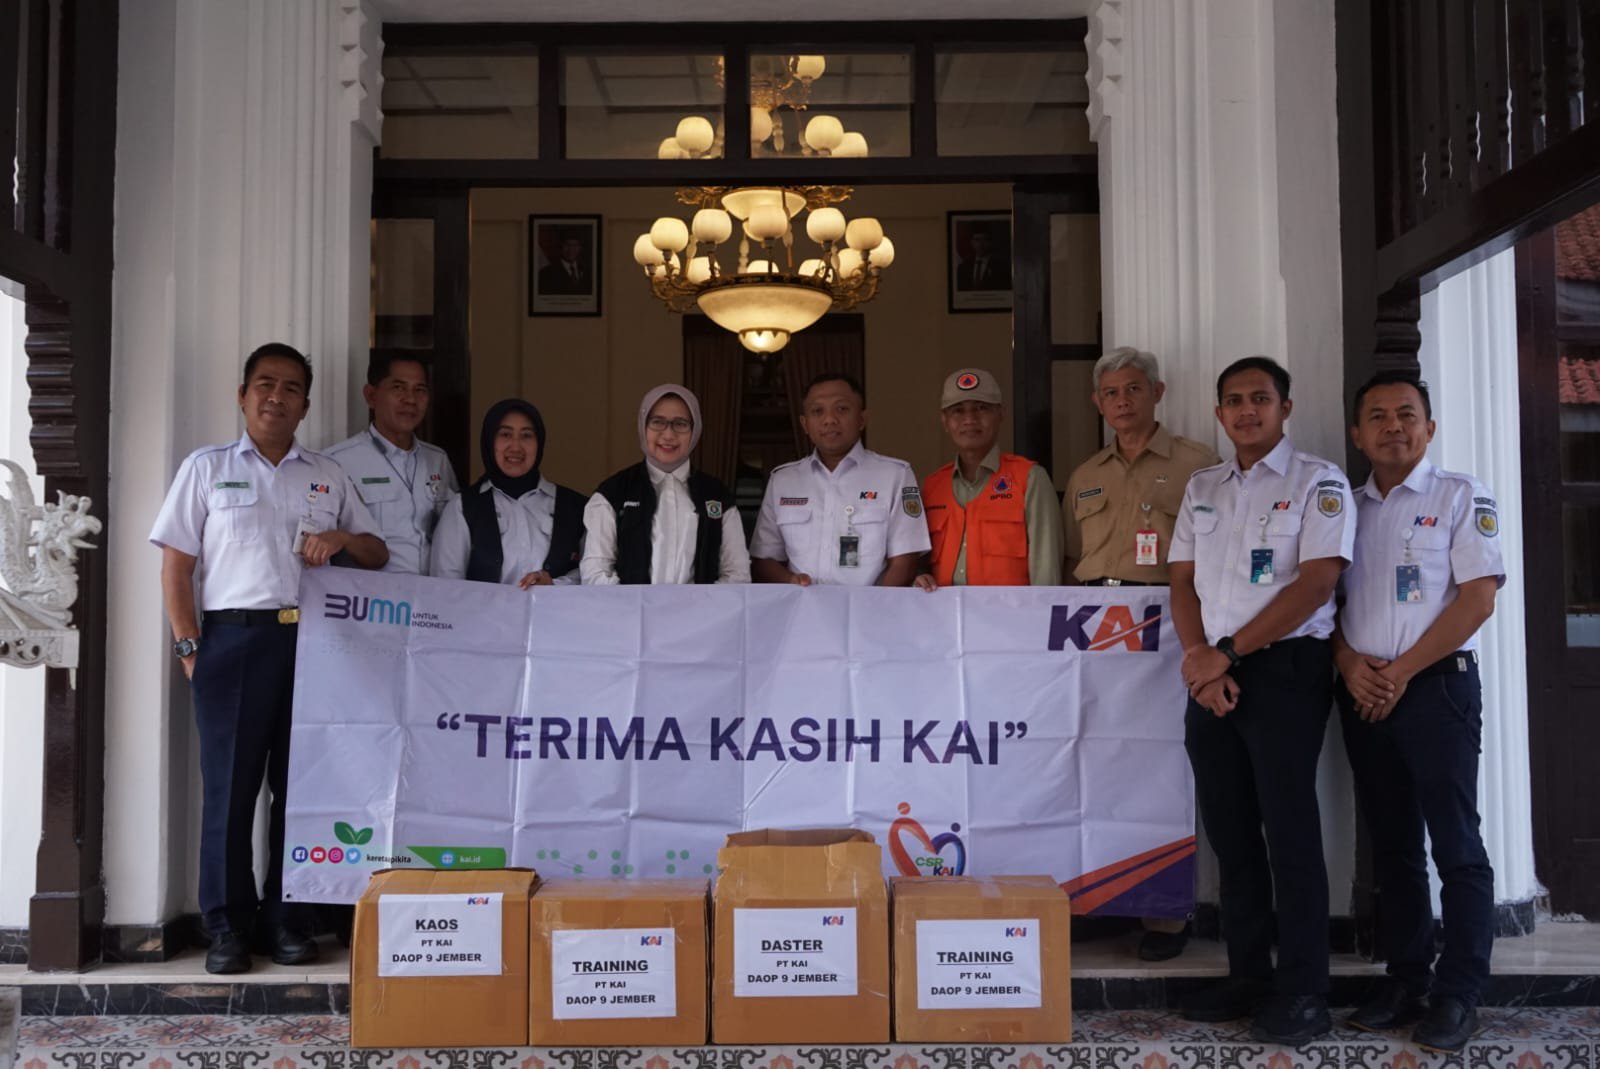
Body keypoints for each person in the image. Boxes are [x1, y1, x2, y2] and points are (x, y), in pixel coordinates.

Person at [150, 342, 388, 974]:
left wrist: (340, 538)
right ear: (243, 395)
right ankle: (227, 927)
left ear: (305, 405)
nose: (276, 397)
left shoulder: (326, 475)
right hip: (231, 642)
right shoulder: (207, 468)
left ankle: (286, 920)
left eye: (290, 389)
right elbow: (176, 564)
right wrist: (189, 645)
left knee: (299, 790)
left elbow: (376, 553)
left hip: (311, 647)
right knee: (229, 793)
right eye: (265, 384)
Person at [1167, 355, 1355, 1045]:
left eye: (1261, 398)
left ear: (1285, 408)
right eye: (1235, 400)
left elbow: (1317, 583)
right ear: (1220, 413)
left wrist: (1228, 653)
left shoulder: (1318, 482)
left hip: (1284, 669)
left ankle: (1304, 990)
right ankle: (1248, 973)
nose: (1247, 411)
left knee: (1290, 828)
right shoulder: (1203, 486)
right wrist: (1200, 659)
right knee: (1231, 830)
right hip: (1210, 674)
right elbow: (1182, 581)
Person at [1334, 371, 1503, 1054]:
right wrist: (1350, 663)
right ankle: (1407, 979)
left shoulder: (1459, 494)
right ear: (1357, 434)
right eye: (1377, 415)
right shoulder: (1343, 508)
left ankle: (1459, 991)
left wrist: (1399, 672)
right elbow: (1325, 604)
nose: (1393, 426)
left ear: (1429, 427)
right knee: (1394, 845)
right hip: (1363, 693)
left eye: (1406, 414)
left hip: (1434, 690)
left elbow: (1478, 599)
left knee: (1455, 843)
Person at [1063, 346, 1220, 960]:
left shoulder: (1197, 464)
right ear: (1096, 403)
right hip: (1098, 628)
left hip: (1168, 624)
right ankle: (1106, 900)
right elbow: (1074, 559)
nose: (1121, 401)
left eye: (1133, 389)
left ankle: (1163, 915)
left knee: (1163, 765)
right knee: (1097, 762)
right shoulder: (1085, 472)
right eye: (1110, 393)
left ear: (1158, 392)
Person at [750, 373, 929, 586]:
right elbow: (764, 558)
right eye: (818, 411)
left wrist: (873, 604)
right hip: (802, 604)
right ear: (805, 424)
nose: (829, 420)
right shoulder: (783, 480)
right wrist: (791, 581)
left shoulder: (895, 475)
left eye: (842, 409)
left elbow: (905, 560)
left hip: (870, 605)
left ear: (861, 419)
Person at [581, 384, 751, 584]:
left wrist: (701, 604)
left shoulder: (716, 494)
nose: (669, 435)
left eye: (681, 424)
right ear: (643, 426)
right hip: (629, 606)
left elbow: (736, 574)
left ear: (695, 430)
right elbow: (596, 574)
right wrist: (638, 604)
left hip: (703, 606)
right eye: (657, 422)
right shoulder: (613, 493)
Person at [914, 367, 1062, 589]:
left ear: (1001, 414)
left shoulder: (1029, 479)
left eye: (981, 408)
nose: (969, 419)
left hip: (1010, 611)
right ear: (944, 421)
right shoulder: (932, 486)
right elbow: (919, 565)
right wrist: (919, 578)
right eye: (958, 411)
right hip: (945, 611)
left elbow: (1046, 572)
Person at [325, 354, 459, 575]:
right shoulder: (336, 461)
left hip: (434, 592)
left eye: (420, 390)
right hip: (372, 593)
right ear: (371, 396)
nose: (411, 400)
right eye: (398, 388)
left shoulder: (438, 460)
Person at [430, 398, 585, 587]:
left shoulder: (575, 507)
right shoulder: (463, 507)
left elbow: (591, 574)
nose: (516, 447)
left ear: (540, 443)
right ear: (489, 441)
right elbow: (445, 587)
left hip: (556, 608)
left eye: (526, 435)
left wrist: (554, 585)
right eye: (505, 434)